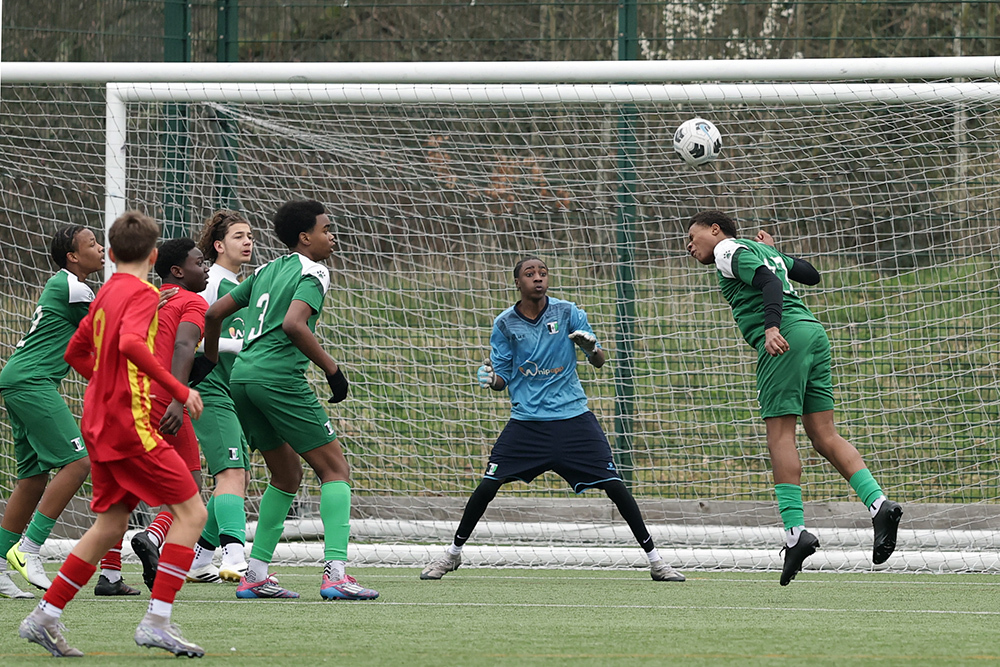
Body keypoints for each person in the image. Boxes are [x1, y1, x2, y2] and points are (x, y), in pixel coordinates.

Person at [420, 256, 685, 583]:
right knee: (488, 485)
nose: (538, 278)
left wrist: (591, 349)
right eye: (530, 274)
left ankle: (656, 562)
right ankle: (452, 555)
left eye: (543, 273)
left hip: (574, 419)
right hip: (527, 423)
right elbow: (502, 377)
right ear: (518, 282)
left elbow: (600, 361)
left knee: (615, 485)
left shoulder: (568, 312)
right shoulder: (505, 324)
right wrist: (491, 379)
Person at [18, 211, 208, 658]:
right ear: (153, 256)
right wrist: (180, 389)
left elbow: (75, 351)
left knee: (111, 524)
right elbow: (129, 344)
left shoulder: (103, 295)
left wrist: (106, 382)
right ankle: (157, 622)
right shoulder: (142, 292)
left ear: (112, 253)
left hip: (97, 420)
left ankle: (44, 617)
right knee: (192, 513)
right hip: (129, 424)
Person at [685, 210, 903, 585]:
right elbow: (811, 275)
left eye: (693, 236)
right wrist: (776, 253)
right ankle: (879, 505)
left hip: (784, 338)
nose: (689, 246)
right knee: (824, 435)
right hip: (813, 333)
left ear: (716, 230)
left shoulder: (726, 250)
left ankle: (794, 533)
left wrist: (771, 327)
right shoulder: (756, 249)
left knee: (780, 437)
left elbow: (769, 282)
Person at [203, 199, 377, 601]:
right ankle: (336, 574)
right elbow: (294, 324)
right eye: (326, 229)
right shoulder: (314, 271)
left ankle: (255, 574)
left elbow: (213, 315)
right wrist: (332, 370)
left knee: (286, 476)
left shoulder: (265, 270)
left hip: (242, 378)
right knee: (335, 469)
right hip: (277, 379)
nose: (332, 237)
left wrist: (209, 361)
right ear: (305, 237)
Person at [0, 226, 140, 599]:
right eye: (92, 244)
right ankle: (29, 548)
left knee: (33, 478)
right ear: (73, 257)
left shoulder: (66, 286)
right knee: (78, 462)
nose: (100, 248)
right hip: (31, 382)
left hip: (19, 380)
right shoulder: (75, 288)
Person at [128, 238, 210, 591]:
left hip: (128, 396)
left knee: (121, 489)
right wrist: (178, 397)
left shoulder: (145, 300)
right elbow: (183, 344)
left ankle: (111, 573)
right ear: (177, 271)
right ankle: (153, 537)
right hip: (163, 399)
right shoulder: (192, 301)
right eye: (198, 262)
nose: (205, 268)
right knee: (191, 484)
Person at [186, 210, 255, 583]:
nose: (247, 242)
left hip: (230, 388)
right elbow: (192, 338)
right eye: (238, 236)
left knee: (238, 475)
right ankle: (235, 555)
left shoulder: (239, 285)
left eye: (250, 236)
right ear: (218, 245)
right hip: (208, 387)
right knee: (230, 472)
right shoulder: (210, 282)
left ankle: (198, 559)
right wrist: (246, 345)